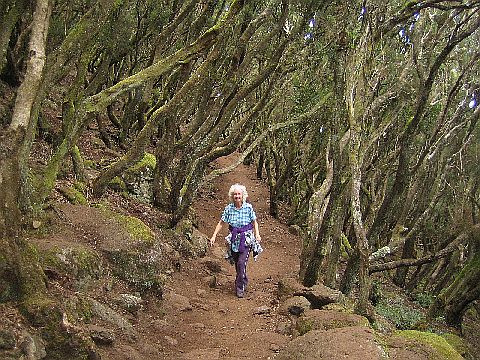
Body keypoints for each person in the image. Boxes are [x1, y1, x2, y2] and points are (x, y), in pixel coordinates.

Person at [210, 183, 262, 298]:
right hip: (233, 240)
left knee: (241, 262)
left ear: (243, 195)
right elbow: (221, 223)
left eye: (239, 194)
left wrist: (257, 234)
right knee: (237, 264)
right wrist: (214, 236)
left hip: (246, 239)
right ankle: (243, 279)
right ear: (232, 196)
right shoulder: (228, 209)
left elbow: (254, 222)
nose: (237, 196)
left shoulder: (248, 207)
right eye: (235, 194)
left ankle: (239, 287)